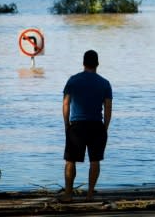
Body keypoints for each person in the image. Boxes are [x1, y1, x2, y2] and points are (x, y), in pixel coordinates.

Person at [62, 50, 112, 201]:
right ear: (97, 64)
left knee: (71, 160)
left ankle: (68, 194)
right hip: (97, 125)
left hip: (76, 125)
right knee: (94, 160)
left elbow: (66, 104)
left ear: (83, 63)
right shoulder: (105, 83)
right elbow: (108, 108)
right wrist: (105, 127)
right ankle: (90, 194)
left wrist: (67, 125)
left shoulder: (73, 80)